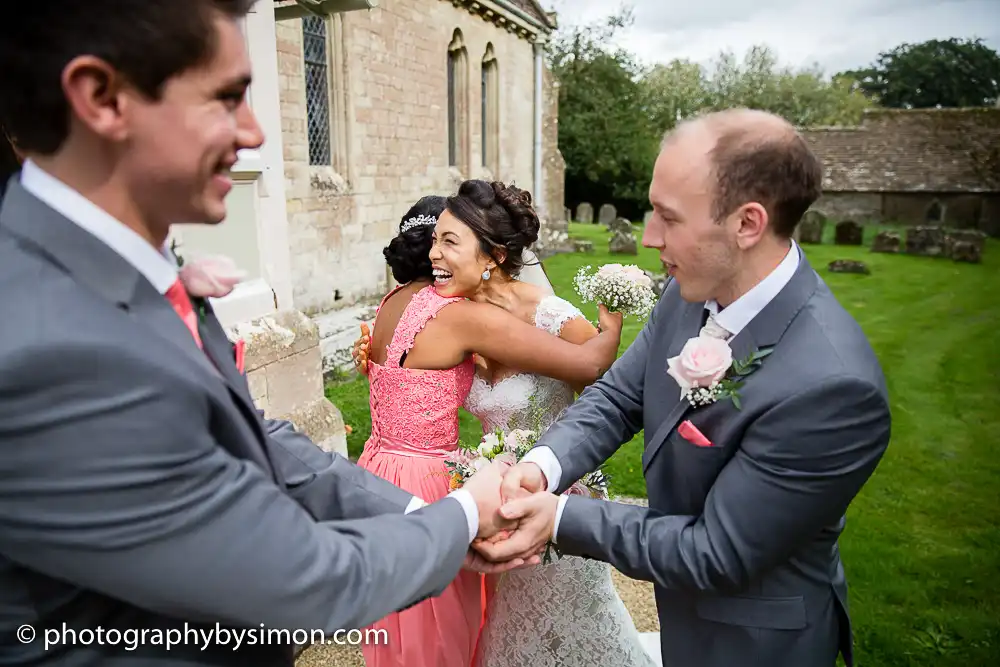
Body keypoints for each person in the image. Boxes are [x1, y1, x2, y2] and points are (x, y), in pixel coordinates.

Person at [0, 3, 514, 666]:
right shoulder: (55, 349)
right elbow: (308, 584)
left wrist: (418, 514)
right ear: (102, 99)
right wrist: (464, 516)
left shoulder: (115, 265)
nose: (254, 134)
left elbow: (252, 434)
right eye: (225, 99)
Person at [480, 109, 892, 667]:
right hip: (684, 616)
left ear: (747, 224)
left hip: (754, 641)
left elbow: (716, 552)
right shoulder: (690, 289)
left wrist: (556, 519)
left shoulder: (833, 388)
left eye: (667, 218)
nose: (650, 239)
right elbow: (620, 397)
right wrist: (544, 466)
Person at [354, 180, 655, 667]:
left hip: (554, 490)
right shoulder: (459, 316)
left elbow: (595, 377)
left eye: (449, 241)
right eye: (435, 240)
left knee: (574, 625)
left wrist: (612, 325)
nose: (434, 254)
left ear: (492, 255)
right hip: (495, 496)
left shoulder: (545, 313)